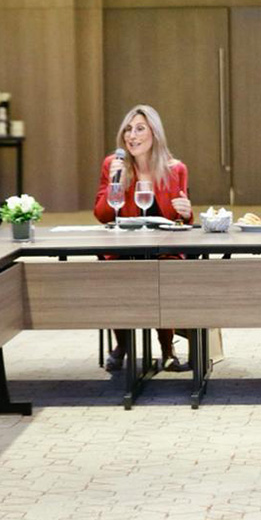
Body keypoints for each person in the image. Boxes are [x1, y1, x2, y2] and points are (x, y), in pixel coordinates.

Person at [94, 104, 192, 373]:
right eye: (128, 130)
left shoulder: (175, 169)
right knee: (116, 275)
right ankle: (123, 344)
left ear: (154, 134)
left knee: (163, 273)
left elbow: (181, 221)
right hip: (123, 249)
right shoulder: (113, 165)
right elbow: (102, 215)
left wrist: (187, 212)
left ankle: (167, 348)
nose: (132, 136)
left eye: (139, 129)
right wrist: (116, 183)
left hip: (163, 250)